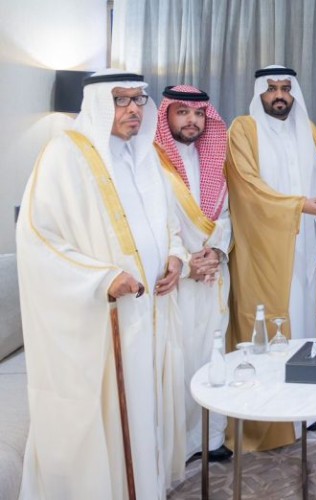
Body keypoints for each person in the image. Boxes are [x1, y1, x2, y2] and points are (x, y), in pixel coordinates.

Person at [16, 69, 188, 498]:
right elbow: (38, 238)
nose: (133, 110)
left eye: (138, 99)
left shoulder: (145, 154)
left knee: (145, 410)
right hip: (105, 316)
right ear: (97, 103)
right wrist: (103, 278)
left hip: (150, 313)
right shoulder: (64, 154)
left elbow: (167, 221)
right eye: (120, 100)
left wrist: (175, 255)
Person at [225, 65, 316, 451]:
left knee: (302, 320)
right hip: (262, 248)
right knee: (269, 324)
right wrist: (297, 206)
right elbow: (247, 186)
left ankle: (304, 412)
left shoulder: (310, 131)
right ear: (260, 93)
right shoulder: (243, 130)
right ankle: (269, 419)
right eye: (271, 88)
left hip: (304, 245)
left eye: (286, 88)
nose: (279, 95)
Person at [154, 84, 233, 463]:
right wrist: (187, 262)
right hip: (177, 281)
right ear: (166, 115)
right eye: (182, 112)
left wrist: (215, 251)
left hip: (213, 274)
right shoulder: (153, 162)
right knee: (178, 361)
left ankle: (210, 438)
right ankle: (178, 448)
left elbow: (227, 214)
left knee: (211, 352)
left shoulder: (215, 157)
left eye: (199, 113)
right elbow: (157, 223)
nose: (192, 120)